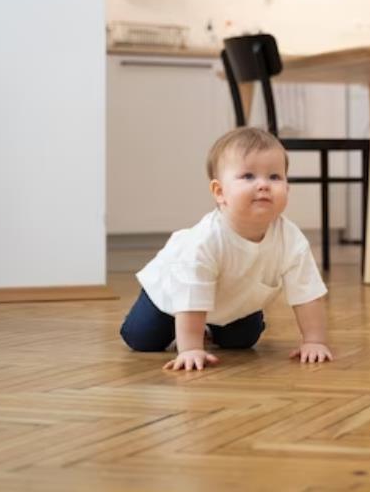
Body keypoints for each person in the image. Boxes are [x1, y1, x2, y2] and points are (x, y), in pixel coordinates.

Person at [120, 127, 333, 370]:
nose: (263, 184)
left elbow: (307, 292)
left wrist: (314, 341)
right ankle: (187, 329)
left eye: (275, 177)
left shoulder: (291, 239)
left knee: (242, 342)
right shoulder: (205, 240)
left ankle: (208, 327)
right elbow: (190, 296)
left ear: (287, 188)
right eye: (248, 176)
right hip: (170, 297)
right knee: (143, 339)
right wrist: (190, 349)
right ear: (219, 192)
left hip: (233, 302)